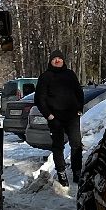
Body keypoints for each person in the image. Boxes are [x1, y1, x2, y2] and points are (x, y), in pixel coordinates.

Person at [34, 49, 84, 185]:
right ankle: (61, 172)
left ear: (63, 61)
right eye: (54, 59)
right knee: (58, 147)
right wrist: (49, 115)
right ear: (51, 61)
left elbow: (79, 92)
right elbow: (39, 99)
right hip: (55, 118)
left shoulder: (70, 75)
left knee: (76, 144)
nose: (57, 60)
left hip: (72, 116)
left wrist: (79, 109)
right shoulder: (45, 77)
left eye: (60, 58)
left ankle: (77, 172)